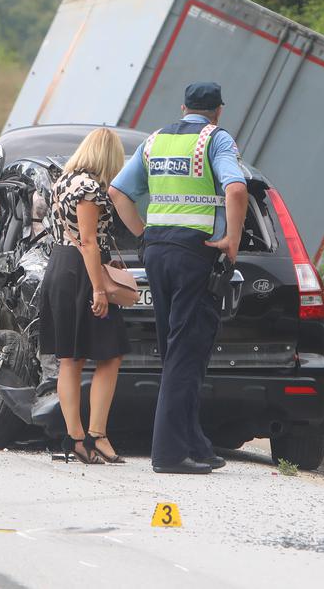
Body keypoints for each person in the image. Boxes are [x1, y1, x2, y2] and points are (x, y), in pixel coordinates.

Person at [108, 82, 248, 474]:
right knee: (188, 351)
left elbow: (118, 191)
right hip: (194, 252)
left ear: (183, 106)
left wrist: (143, 233)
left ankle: (195, 443)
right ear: (218, 110)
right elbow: (236, 189)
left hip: (157, 251)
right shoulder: (215, 139)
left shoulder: (155, 140)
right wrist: (232, 240)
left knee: (177, 351)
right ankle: (169, 454)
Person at [39, 127, 130, 465]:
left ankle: (76, 437)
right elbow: (89, 241)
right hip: (83, 270)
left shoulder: (62, 181)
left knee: (70, 358)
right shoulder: (90, 188)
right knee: (112, 354)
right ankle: (96, 434)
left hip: (59, 266)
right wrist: (98, 288)